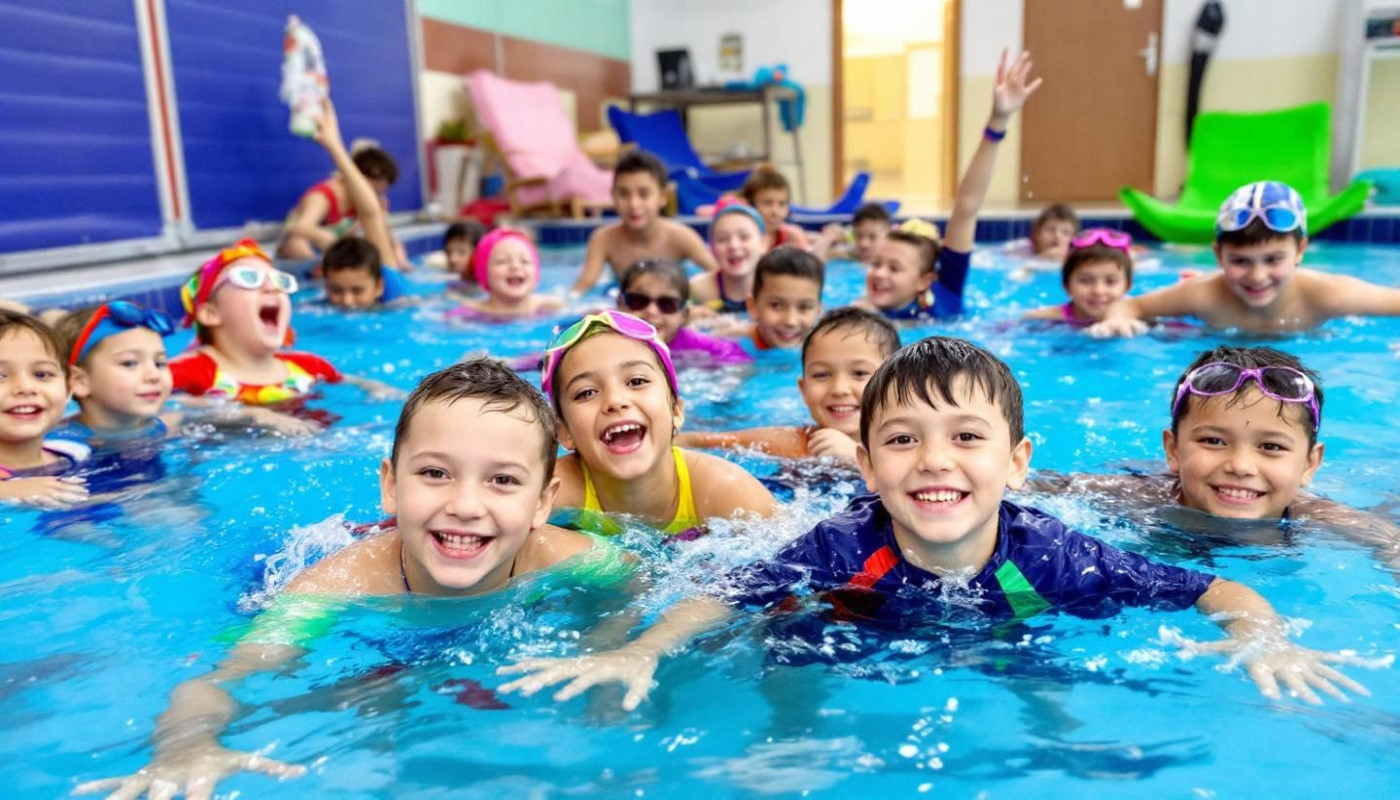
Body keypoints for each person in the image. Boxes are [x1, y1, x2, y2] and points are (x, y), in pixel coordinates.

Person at [500, 337, 1372, 711]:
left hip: (1007, 627)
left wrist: (1269, 640)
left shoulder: (1054, 550)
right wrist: (642, 648)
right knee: (788, 647)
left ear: (1018, 462)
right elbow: (729, 591)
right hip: (860, 623)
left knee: (1048, 688)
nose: (934, 462)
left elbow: (1218, 585)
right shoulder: (840, 541)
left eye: (966, 438)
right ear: (870, 464)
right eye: (903, 442)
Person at [72, 360, 626, 800]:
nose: (464, 505)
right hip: (350, 601)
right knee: (369, 697)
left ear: (543, 503)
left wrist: (608, 647)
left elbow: (641, 589)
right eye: (434, 473)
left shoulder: (566, 554)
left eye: (503, 480)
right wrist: (185, 748)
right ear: (390, 486)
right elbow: (223, 677)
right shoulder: (336, 582)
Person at [1029, 346, 1400, 569]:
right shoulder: (1138, 496)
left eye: (1271, 447)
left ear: (1309, 464)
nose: (1240, 465)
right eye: (1213, 441)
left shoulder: (1319, 517)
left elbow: (1391, 543)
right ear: (1173, 451)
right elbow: (1036, 485)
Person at [541, 311, 777, 537]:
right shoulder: (551, 491)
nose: (615, 401)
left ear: (676, 410)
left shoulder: (729, 495)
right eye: (586, 393)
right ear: (564, 431)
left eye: (636, 380)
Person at [854, 50, 1040, 321]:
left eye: (894, 268)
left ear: (923, 281)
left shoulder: (947, 290)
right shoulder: (861, 314)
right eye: (876, 264)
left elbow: (966, 207)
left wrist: (997, 121)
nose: (879, 273)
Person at [1089, 181, 1400, 337]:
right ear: (1218, 255)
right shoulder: (1203, 293)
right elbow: (1128, 304)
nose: (1257, 275)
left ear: (1301, 250)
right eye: (1240, 261)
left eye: (1273, 259)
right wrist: (1117, 320)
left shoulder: (1328, 294)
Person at [172, 239, 400, 405]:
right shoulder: (186, 373)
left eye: (277, 280)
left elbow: (348, 380)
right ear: (211, 313)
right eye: (249, 278)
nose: (271, 286)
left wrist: (376, 388)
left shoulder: (309, 367)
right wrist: (245, 414)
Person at [51, 302, 316, 443]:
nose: (153, 375)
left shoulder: (168, 420)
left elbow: (221, 411)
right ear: (80, 382)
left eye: (160, 362)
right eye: (130, 363)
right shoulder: (61, 440)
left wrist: (260, 415)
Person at [677, 308, 899, 465]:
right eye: (821, 375)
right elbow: (699, 441)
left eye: (859, 373)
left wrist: (856, 459)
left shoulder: (903, 448)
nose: (839, 388)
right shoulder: (795, 443)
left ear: (893, 384)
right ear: (803, 390)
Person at [570, 152, 718, 294]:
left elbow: (719, 275)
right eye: (623, 194)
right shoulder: (604, 240)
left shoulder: (681, 238)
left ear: (663, 196)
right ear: (613, 196)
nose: (634, 204)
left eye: (643, 194)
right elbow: (582, 287)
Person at [277, 103, 402, 266]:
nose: (376, 196)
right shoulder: (324, 196)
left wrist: (398, 253)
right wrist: (323, 236)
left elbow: (383, 235)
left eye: (379, 193)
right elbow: (298, 227)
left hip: (334, 249)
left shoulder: (369, 204)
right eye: (375, 191)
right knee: (296, 243)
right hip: (306, 245)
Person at [0, 310, 88, 508]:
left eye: (42, 374)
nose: (26, 387)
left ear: (68, 387)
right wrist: (7, 491)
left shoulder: (73, 453)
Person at [617, 258, 749, 365]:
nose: (652, 311)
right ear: (620, 305)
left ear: (684, 315)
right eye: (638, 300)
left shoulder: (695, 347)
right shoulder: (608, 341)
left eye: (667, 304)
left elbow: (737, 357)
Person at [446, 227, 565, 320]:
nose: (516, 266)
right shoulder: (469, 312)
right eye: (502, 261)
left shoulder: (551, 307)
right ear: (483, 273)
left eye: (525, 261)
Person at [1023, 229, 1134, 325]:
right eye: (1085, 281)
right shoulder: (1046, 319)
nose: (1098, 291)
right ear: (1067, 285)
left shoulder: (1137, 318)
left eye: (1110, 282)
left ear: (1127, 286)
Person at [740, 247, 825, 351]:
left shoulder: (823, 347)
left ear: (818, 311)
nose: (790, 321)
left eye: (804, 307)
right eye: (776, 305)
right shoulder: (740, 346)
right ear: (752, 306)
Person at [690, 199, 765, 315]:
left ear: (763, 244)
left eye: (744, 237)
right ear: (712, 249)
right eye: (722, 239)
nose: (733, 246)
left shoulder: (777, 289)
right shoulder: (697, 290)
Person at [319, 237, 409, 309]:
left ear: (378, 287)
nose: (347, 302)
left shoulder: (397, 309)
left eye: (357, 291)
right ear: (326, 288)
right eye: (337, 291)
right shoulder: (315, 310)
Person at [741, 165, 810, 251]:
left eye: (782, 204)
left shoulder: (791, 236)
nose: (775, 212)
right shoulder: (740, 242)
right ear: (750, 206)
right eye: (768, 203)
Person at [813, 202, 892, 264]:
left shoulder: (893, 260)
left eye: (872, 237)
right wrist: (828, 238)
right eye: (859, 236)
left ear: (887, 236)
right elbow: (815, 263)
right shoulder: (847, 256)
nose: (864, 244)